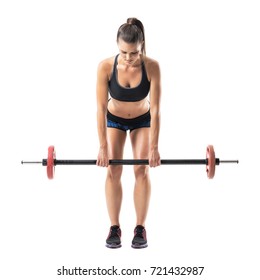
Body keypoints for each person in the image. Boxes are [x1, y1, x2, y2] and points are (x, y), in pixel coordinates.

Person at [96, 17, 161, 249]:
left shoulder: (152, 67)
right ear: (117, 44)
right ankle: (114, 227)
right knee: (113, 170)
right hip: (114, 120)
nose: (128, 57)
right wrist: (102, 146)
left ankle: (140, 228)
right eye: (123, 52)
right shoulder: (106, 66)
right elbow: (101, 108)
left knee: (141, 169)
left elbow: (156, 109)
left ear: (141, 46)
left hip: (142, 121)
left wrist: (154, 148)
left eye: (133, 53)